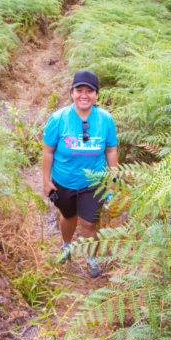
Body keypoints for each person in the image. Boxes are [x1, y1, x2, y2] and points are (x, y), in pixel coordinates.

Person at [42, 70, 118, 277]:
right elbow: (48, 151)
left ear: (96, 95)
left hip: (94, 181)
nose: (84, 95)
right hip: (63, 180)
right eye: (79, 90)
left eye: (89, 91)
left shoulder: (105, 119)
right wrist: (46, 181)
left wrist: (113, 180)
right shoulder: (58, 119)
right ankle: (66, 246)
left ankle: (91, 258)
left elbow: (111, 150)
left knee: (89, 223)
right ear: (72, 92)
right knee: (68, 216)